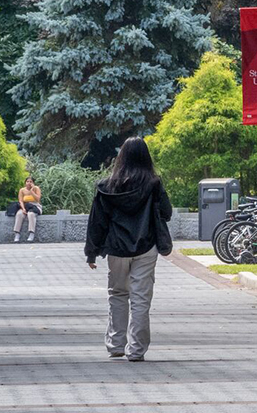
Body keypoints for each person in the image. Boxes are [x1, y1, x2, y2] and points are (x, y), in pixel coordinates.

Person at [84, 137, 173, 362]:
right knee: (141, 299)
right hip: (146, 246)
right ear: (145, 157)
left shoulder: (107, 186)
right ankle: (137, 350)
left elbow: (97, 221)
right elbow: (167, 212)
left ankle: (115, 345)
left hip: (116, 247)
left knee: (118, 294)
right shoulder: (154, 183)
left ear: (121, 157)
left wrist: (92, 252)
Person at [13, 177, 42, 242]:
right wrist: (23, 209)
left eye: (30, 182)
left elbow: (38, 199)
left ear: (33, 183)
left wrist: (32, 191)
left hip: (35, 206)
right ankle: (17, 234)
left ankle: (31, 233)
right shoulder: (22, 190)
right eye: (27, 181)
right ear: (25, 182)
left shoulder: (36, 188)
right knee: (19, 214)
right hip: (25, 206)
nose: (29, 183)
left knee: (31, 214)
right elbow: (20, 201)